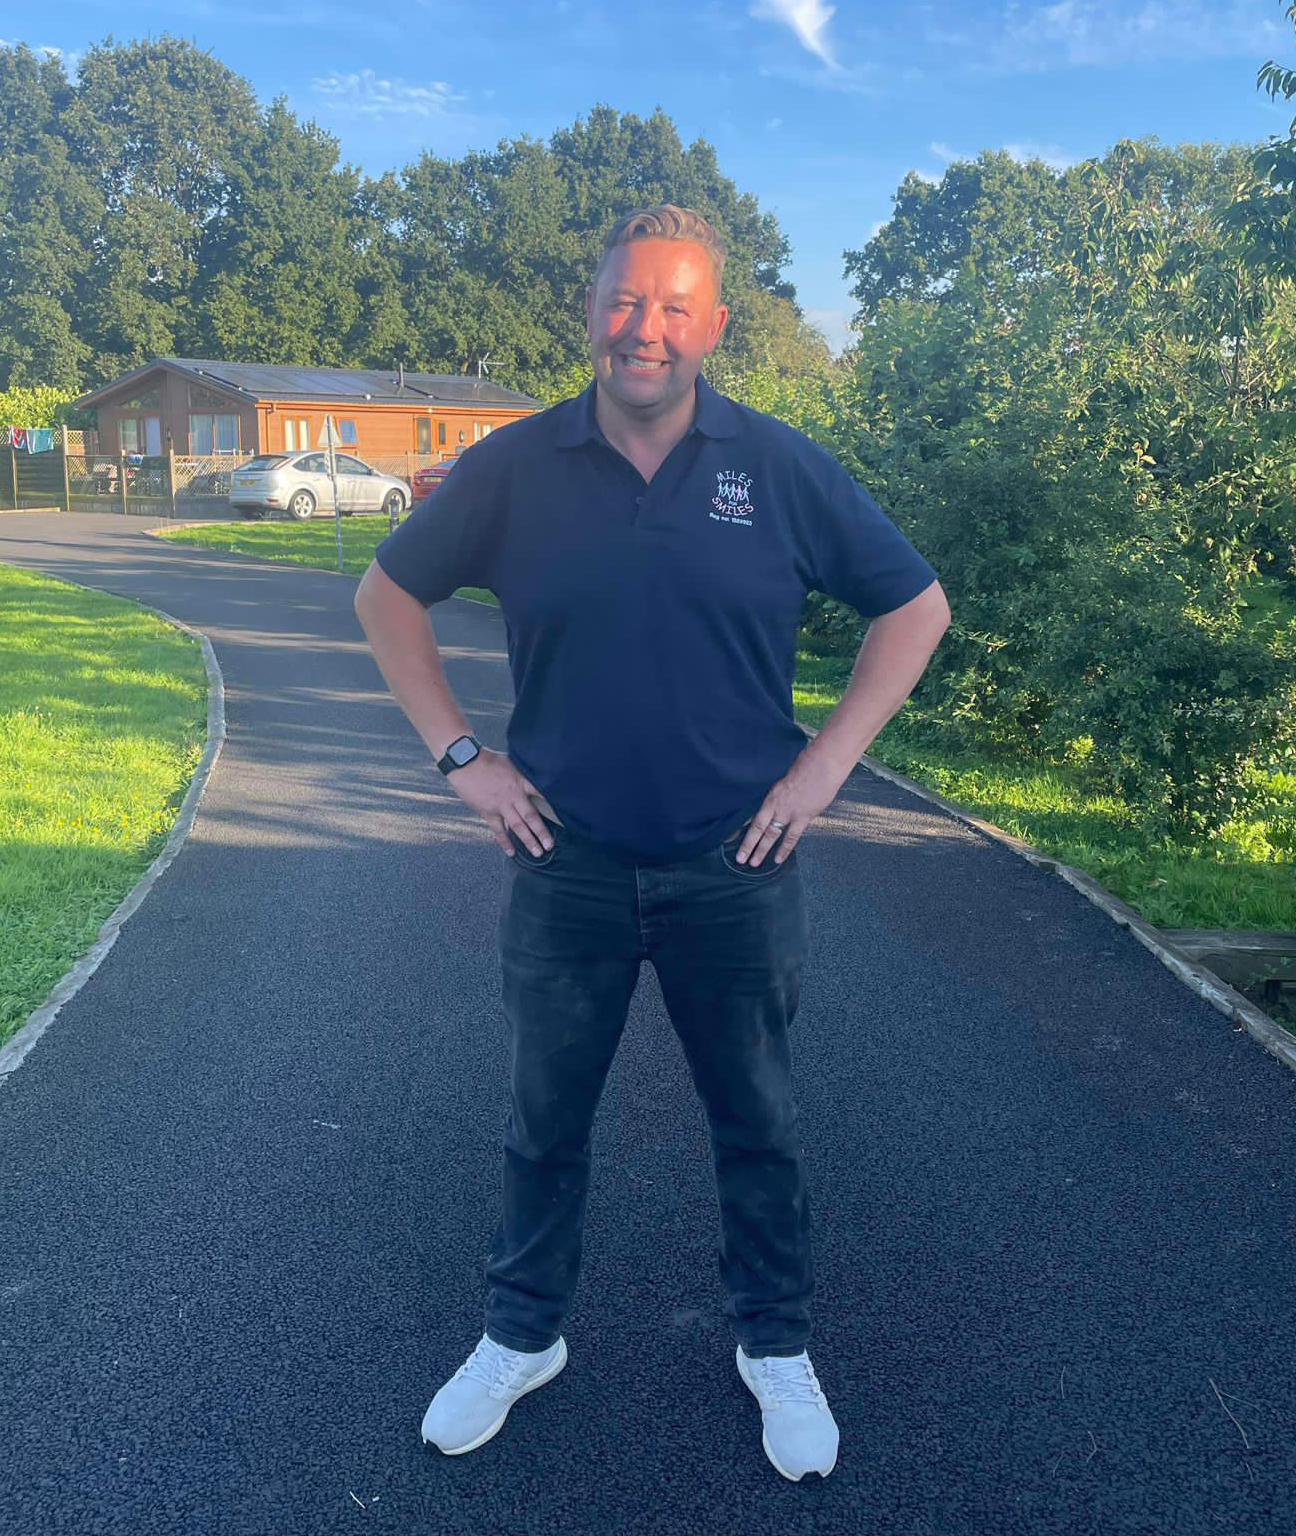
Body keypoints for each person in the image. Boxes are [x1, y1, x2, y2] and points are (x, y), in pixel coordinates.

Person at [354, 205, 950, 1482]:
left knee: (758, 1122)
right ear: (590, 311)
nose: (647, 329)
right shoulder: (514, 468)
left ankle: (775, 1344)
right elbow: (385, 593)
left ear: (715, 326)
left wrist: (824, 770)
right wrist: (462, 759)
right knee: (543, 1120)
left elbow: (916, 606)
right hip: (563, 863)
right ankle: (522, 1336)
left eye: (676, 307)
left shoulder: (778, 468)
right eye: (627, 301)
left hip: (735, 869)